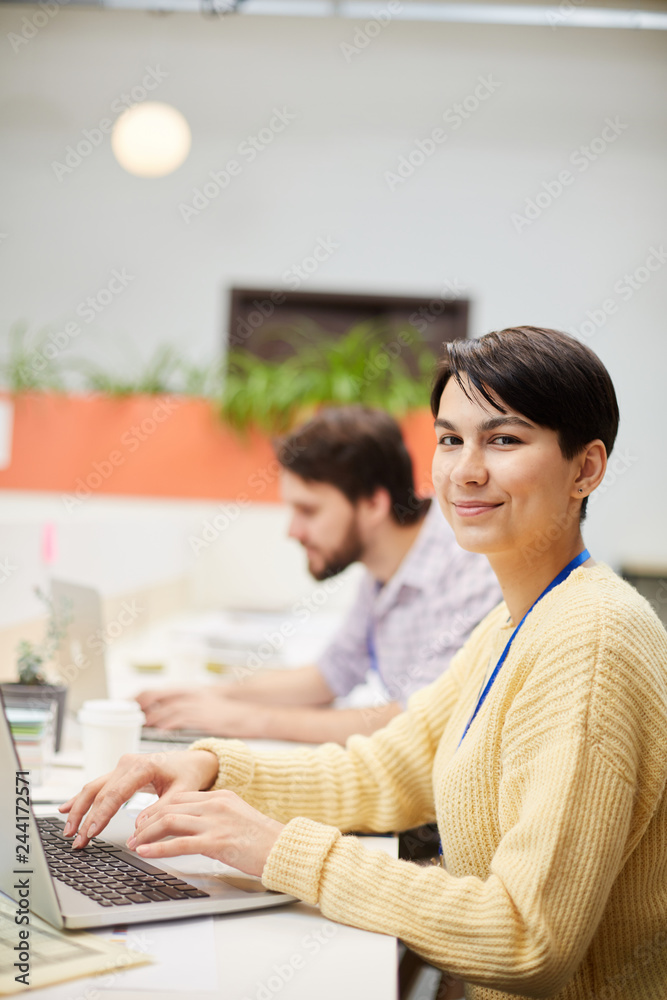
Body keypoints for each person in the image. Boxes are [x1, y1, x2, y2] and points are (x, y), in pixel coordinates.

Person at [62, 327, 667, 999]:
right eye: (449, 439)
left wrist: (281, 850)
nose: (465, 470)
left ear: (585, 469)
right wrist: (212, 766)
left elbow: (526, 939)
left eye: (503, 440)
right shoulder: (517, 619)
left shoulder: (589, 641)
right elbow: (387, 770)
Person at [137, 406, 500, 744]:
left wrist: (242, 720)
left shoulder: (469, 566)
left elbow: (418, 722)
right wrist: (213, 695)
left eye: (308, 511)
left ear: (373, 504)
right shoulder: (383, 566)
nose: (292, 531)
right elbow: (332, 673)